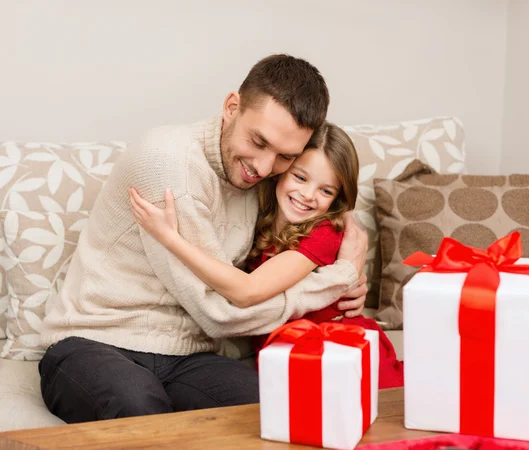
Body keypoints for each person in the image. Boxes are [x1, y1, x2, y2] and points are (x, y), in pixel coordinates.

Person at [38, 54, 369, 424]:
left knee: (282, 407)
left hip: (187, 356)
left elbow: (325, 203)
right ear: (231, 107)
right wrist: (338, 279)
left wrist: (348, 260)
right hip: (95, 341)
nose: (263, 167)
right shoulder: (169, 165)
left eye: (284, 157)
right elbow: (220, 312)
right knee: (139, 411)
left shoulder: (265, 178)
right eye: (258, 141)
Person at [129, 122, 404, 388]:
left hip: (339, 351)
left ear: (336, 198)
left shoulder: (323, 232)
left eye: (325, 190)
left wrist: (171, 239)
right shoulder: (259, 216)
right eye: (300, 177)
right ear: (280, 171)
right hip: (287, 354)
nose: (308, 195)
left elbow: (248, 290)